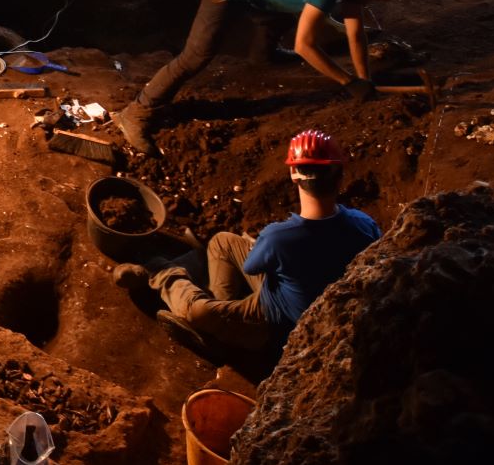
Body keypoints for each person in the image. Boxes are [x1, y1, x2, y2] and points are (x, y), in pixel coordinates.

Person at [117, 0, 422, 156]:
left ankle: (264, 55)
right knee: (196, 56)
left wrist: (364, 78)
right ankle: (138, 111)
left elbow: (356, 34)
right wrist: (348, 82)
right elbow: (305, 46)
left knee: (289, 15)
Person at [113, 129, 381, 355]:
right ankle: (223, 322)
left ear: (293, 174)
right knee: (222, 242)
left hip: (276, 322)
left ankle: (160, 272)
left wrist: (263, 247)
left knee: (197, 312)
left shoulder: (279, 236)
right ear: (340, 174)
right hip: (303, 299)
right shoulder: (364, 224)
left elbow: (253, 267)